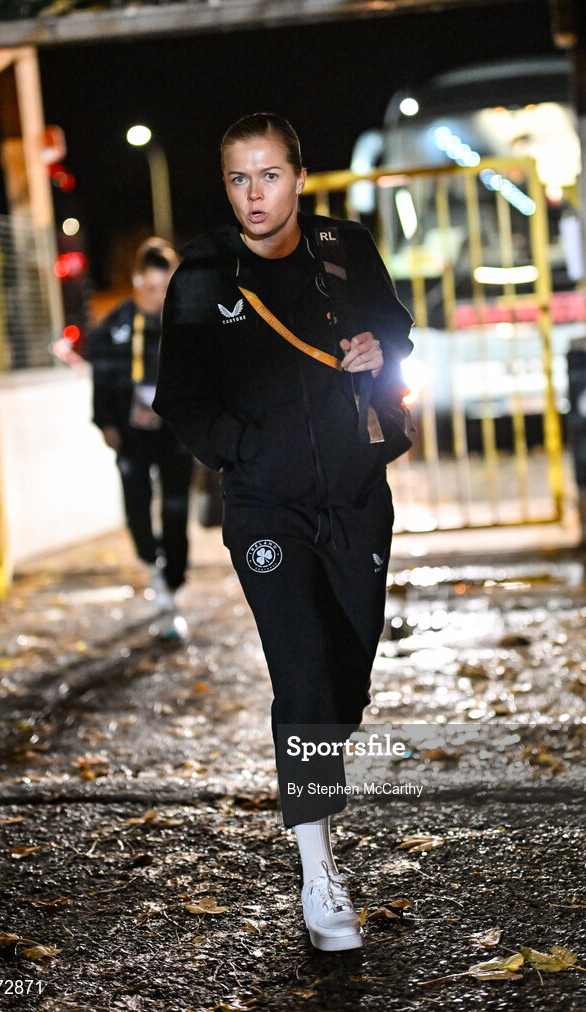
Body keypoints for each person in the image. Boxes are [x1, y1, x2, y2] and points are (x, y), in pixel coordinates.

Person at [153, 114, 413, 952]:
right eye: (238, 179)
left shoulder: (346, 248)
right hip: (266, 508)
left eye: (269, 176)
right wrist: (243, 453)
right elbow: (180, 396)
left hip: (355, 498)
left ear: (300, 176)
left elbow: (398, 334)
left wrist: (383, 350)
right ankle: (318, 873)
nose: (254, 194)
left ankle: (319, 789)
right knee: (301, 675)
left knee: (343, 678)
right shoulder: (201, 271)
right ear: (224, 185)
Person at [83, 238, 194, 613]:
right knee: (137, 505)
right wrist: (106, 423)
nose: (158, 296)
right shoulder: (115, 325)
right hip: (132, 434)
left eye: (166, 288)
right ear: (136, 280)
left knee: (177, 506)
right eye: (151, 287)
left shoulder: (186, 321)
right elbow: (101, 378)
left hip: (177, 431)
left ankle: (175, 578)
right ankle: (151, 559)